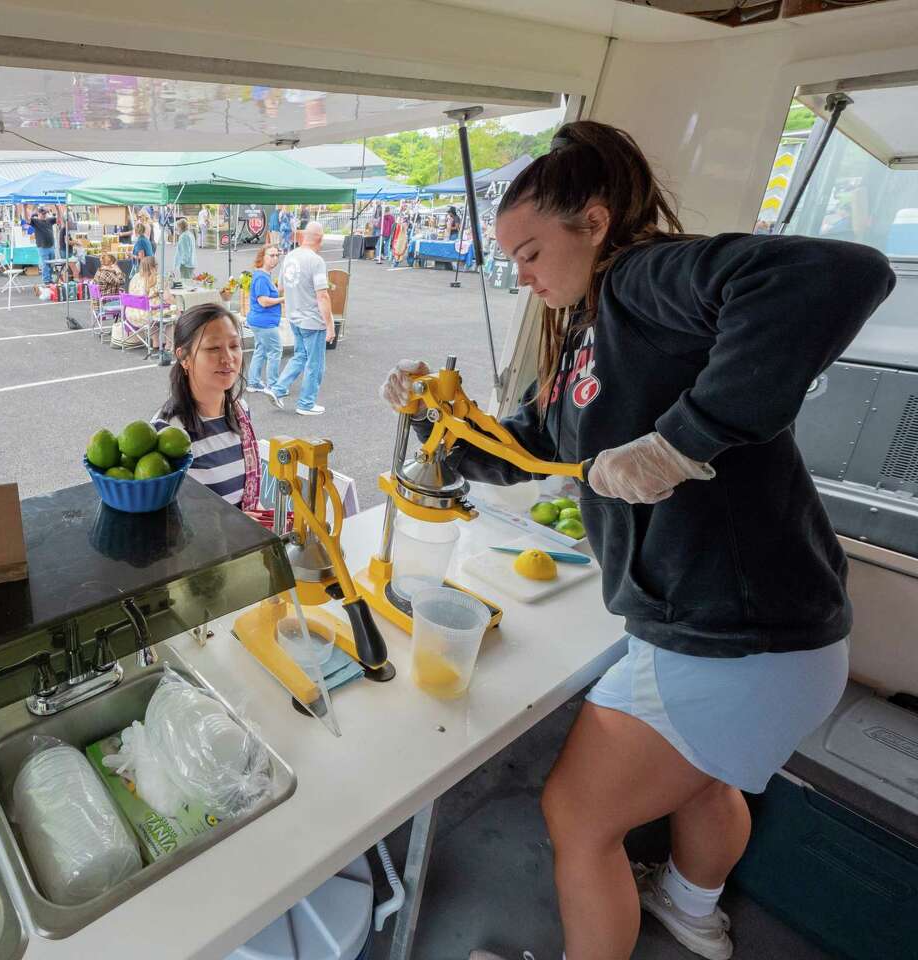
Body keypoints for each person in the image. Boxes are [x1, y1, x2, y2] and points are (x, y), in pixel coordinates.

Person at [378, 120, 895, 960]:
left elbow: (835, 273)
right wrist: (434, 421)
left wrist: (684, 439)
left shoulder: (642, 278)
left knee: (576, 818)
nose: (523, 274)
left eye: (533, 251)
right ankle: (692, 912)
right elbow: (533, 447)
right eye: (512, 259)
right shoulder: (587, 329)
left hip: (732, 639)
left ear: (593, 222)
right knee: (706, 777)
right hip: (777, 636)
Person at [153, 303, 261, 508]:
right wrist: (238, 524)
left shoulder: (240, 411)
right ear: (184, 358)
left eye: (234, 345)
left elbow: (248, 499)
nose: (228, 358)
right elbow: (168, 518)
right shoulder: (168, 432)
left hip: (250, 538)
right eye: (213, 348)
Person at [268, 222, 334, 416]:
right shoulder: (316, 261)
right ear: (320, 239)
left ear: (303, 236)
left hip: (294, 316)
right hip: (312, 320)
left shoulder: (290, 256)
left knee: (300, 356)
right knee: (315, 364)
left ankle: (278, 389)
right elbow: (322, 295)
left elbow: (280, 286)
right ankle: (306, 403)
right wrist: (330, 325)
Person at [246, 245, 284, 395]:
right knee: (275, 351)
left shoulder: (263, 275)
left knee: (260, 350)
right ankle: (273, 385)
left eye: (276, 255)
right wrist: (283, 299)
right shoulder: (262, 277)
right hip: (264, 322)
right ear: (262, 257)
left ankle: (253, 382)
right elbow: (263, 301)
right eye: (271, 255)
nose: (275, 258)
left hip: (259, 321)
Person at [114, 255, 170, 350]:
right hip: (147, 315)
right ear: (153, 266)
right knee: (172, 315)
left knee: (153, 311)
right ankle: (169, 345)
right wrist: (175, 306)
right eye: (156, 265)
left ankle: (156, 343)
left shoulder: (135, 277)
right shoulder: (158, 278)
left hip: (130, 314)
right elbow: (167, 297)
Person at [28, 205, 58, 284]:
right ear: (38, 214)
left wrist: (57, 208)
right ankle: (46, 280)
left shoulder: (49, 220)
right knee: (45, 265)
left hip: (51, 246)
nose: (43, 215)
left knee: (51, 265)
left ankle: (50, 279)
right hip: (42, 247)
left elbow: (59, 219)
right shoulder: (36, 221)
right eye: (42, 213)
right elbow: (27, 220)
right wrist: (25, 208)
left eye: (44, 213)